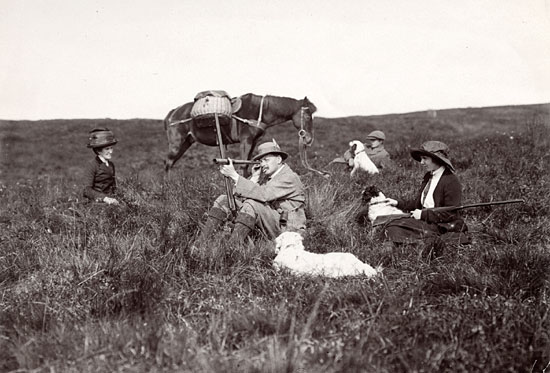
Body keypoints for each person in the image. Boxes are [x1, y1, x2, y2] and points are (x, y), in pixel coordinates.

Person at [197, 140, 306, 245]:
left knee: (251, 204)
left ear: (278, 159)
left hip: (288, 229)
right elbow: (241, 196)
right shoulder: (267, 178)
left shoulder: (289, 177)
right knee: (224, 200)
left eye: (266, 160)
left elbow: (263, 195)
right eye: (261, 161)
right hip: (272, 222)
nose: (263, 164)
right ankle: (201, 244)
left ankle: (232, 248)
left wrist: (234, 176)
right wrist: (254, 177)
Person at [383, 140, 469, 246]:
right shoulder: (429, 176)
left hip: (440, 225)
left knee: (393, 226)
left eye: (425, 159)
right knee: (387, 221)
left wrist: (423, 214)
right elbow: (417, 203)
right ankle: (423, 242)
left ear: (437, 160)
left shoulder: (451, 181)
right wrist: (397, 203)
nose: (421, 162)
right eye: (421, 159)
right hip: (425, 221)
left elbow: (451, 212)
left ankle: (428, 242)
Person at [83, 128, 120, 205]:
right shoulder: (92, 165)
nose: (111, 151)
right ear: (98, 151)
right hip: (96, 203)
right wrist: (104, 198)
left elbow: (113, 187)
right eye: (107, 149)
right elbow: (87, 190)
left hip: (111, 200)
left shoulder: (111, 165)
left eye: (111, 148)